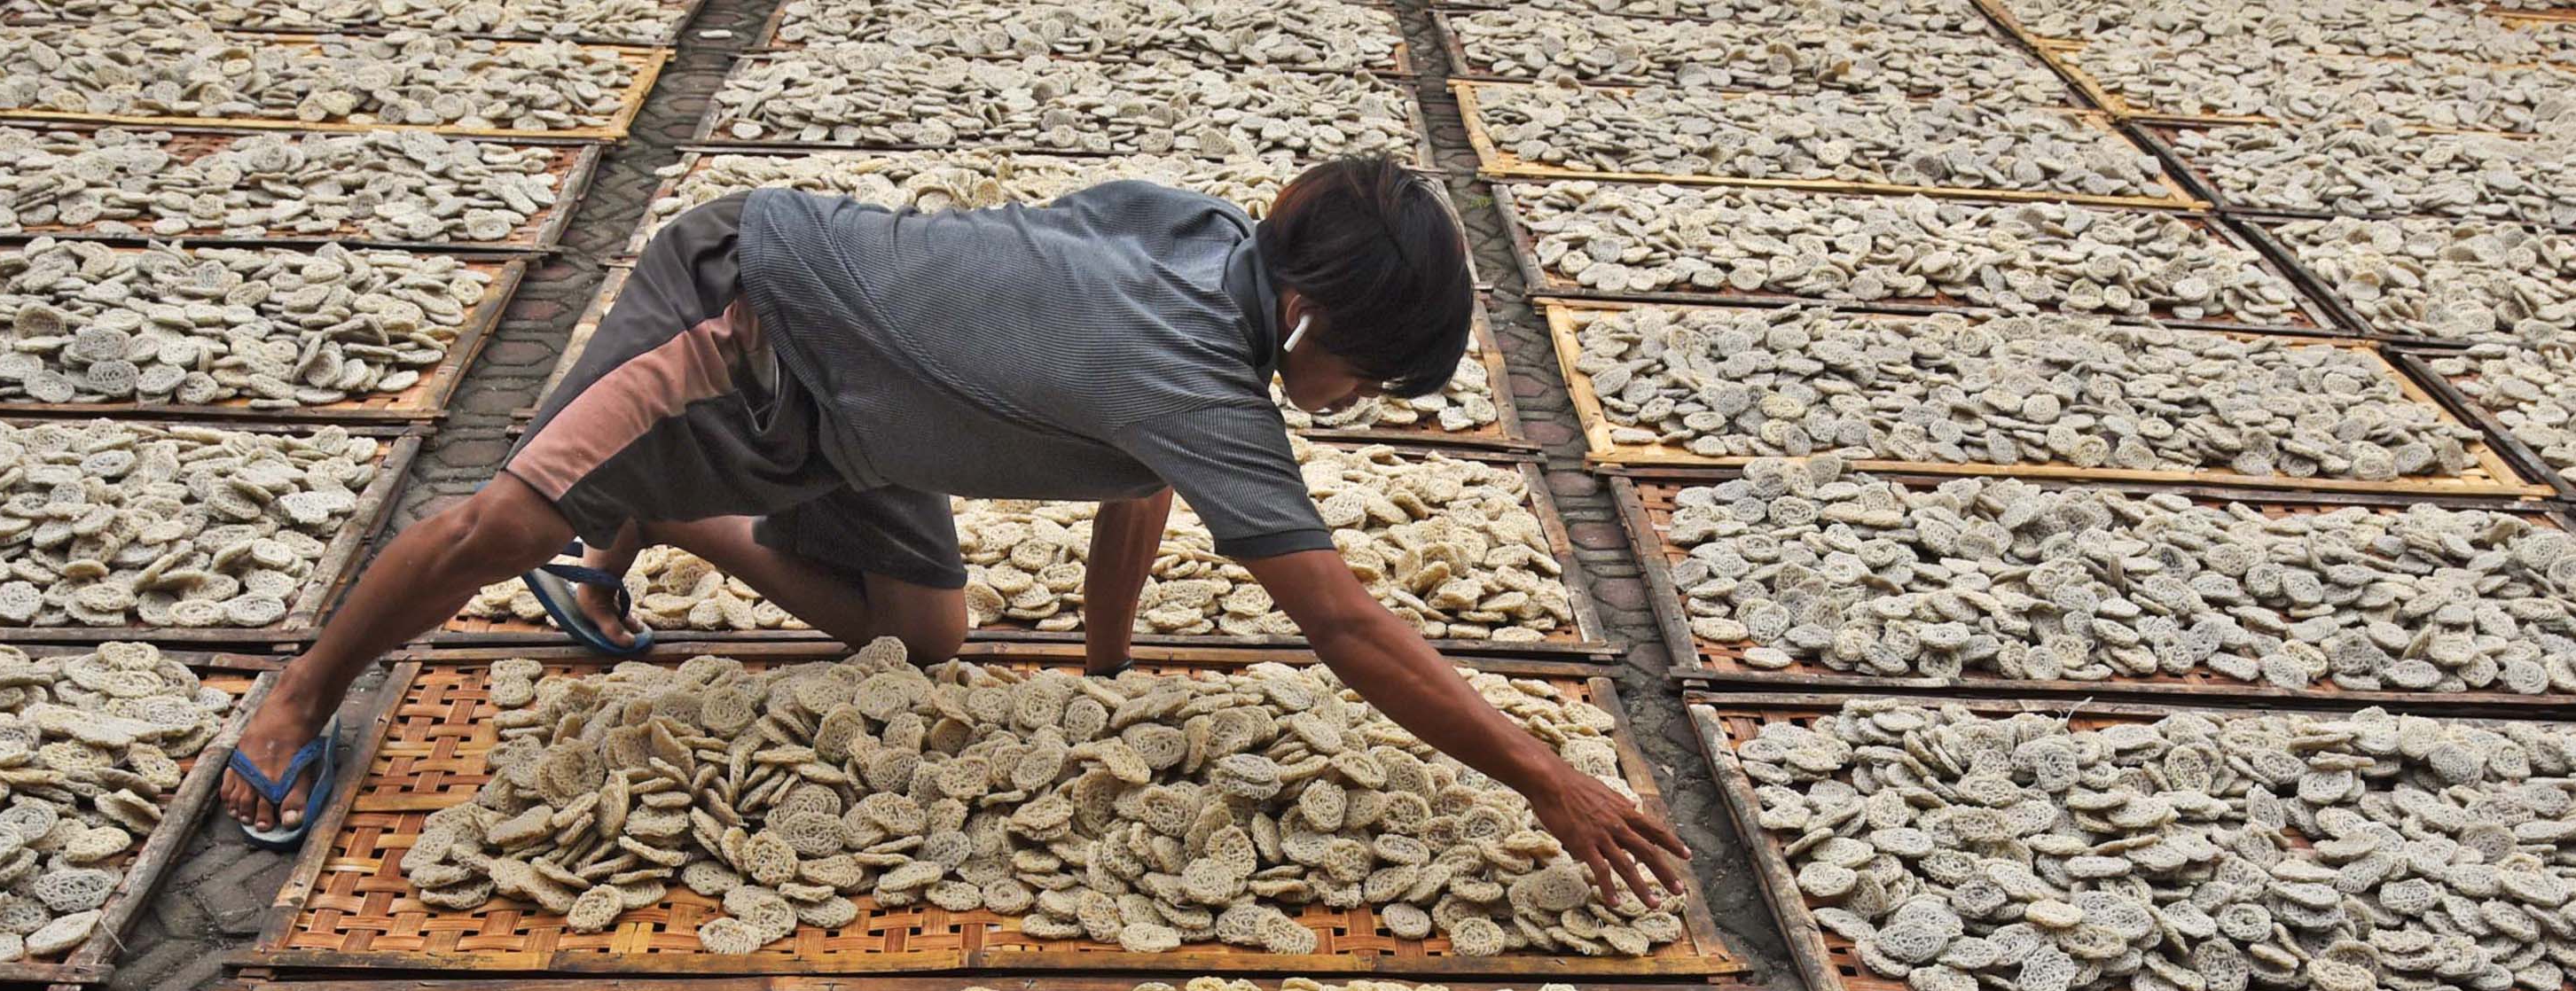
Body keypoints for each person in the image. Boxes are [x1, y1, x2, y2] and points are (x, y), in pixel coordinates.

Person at [221, 155, 1690, 908]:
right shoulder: (1201, 373)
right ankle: (298, 695)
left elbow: (1136, 471)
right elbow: (1346, 623)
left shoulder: (1196, 244)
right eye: (1366, 375)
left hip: (864, 413)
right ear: (1328, 323)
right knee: (501, 519)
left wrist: (1104, 686)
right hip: (748, 313)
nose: (1352, 399)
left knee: (922, 638)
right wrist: (1541, 776)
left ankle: (667, 514)